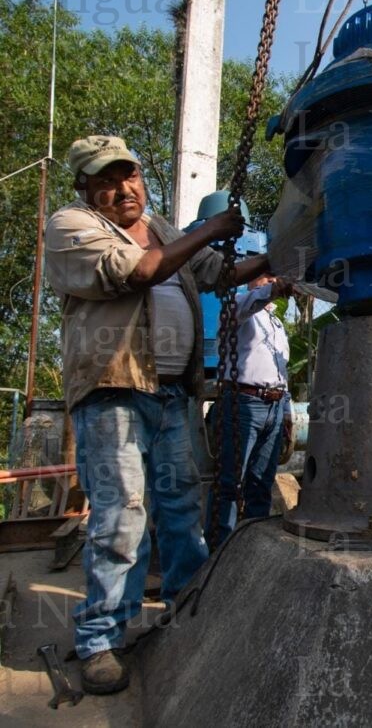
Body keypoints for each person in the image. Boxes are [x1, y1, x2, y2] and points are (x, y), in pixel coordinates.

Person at [44, 135, 274, 695]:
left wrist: (282, 254)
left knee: (180, 511)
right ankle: (101, 640)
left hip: (173, 393)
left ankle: (186, 613)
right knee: (121, 518)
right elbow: (140, 271)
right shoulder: (71, 226)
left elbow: (220, 273)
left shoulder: (165, 229)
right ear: (85, 189)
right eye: (106, 181)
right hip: (114, 391)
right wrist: (210, 230)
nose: (124, 188)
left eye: (130, 176)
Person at [206, 274, 293, 548]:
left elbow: (281, 372)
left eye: (274, 276)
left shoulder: (277, 324)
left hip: (274, 407)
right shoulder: (237, 306)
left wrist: (286, 412)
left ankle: (251, 549)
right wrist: (273, 290)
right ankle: (219, 552)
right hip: (243, 403)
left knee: (261, 483)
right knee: (229, 483)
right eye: (264, 274)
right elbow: (250, 303)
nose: (270, 279)